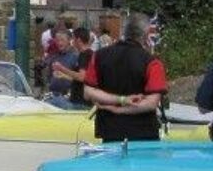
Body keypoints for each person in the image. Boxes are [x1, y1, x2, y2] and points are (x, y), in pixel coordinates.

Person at [82, 13, 167, 141]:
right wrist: (121, 108)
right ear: (146, 34)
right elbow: (151, 103)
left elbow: (88, 93)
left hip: (110, 130)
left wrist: (120, 100)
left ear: (124, 31)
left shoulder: (99, 56)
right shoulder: (152, 63)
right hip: (143, 131)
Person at [51, 27, 93, 109]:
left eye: (73, 39)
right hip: (79, 101)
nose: (72, 42)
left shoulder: (84, 55)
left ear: (79, 40)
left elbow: (82, 77)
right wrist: (63, 76)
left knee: (51, 103)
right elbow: (85, 79)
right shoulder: (89, 54)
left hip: (80, 102)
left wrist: (61, 68)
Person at [43, 29, 78, 98]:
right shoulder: (53, 56)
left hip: (68, 96)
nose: (59, 43)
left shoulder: (76, 56)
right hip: (53, 94)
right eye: (57, 40)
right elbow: (49, 75)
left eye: (62, 40)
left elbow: (80, 79)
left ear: (69, 40)